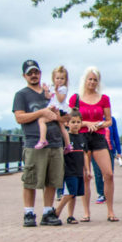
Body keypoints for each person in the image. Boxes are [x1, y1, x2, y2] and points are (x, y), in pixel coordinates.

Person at [13, 60, 65, 227]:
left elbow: (64, 116)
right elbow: (19, 117)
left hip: (55, 141)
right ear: (24, 76)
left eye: (36, 72)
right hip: (34, 142)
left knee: (52, 179)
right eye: (30, 73)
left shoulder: (49, 93)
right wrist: (41, 112)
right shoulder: (21, 95)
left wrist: (58, 115)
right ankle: (28, 213)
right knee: (31, 179)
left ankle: (48, 212)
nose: (33, 75)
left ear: (40, 73)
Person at [69, 67, 117, 222]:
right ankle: (86, 212)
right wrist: (86, 122)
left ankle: (110, 211)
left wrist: (99, 124)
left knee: (108, 174)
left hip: (98, 136)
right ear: (85, 80)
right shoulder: (76, 98)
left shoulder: (103, 98)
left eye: (95, 79)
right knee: (85, 176)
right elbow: (70, 120)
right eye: (90, 79)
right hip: (81, 137)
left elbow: (109, 120)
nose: (92, 82)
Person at [59, 110, 89, 224]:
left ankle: (70, 216)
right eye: (73, 122)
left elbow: (85, 154)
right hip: (68, 170)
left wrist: (87, 170)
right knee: (69, 192)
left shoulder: (82, 138)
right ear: (67, 123)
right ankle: (56, 212)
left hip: (78, 170)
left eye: (78, 122)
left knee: (74, 194)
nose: (76, 124)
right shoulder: (65, 137)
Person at [36, 65, 72, 151]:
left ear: (65, 80)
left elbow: (60, 99)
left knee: (41, 120)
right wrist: (46, 90)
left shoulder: (63, 88)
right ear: (53, 78)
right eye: (57, 78)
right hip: (53, 106)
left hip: (58, 108)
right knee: (61, 127)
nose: (59, 80)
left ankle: (42, 140)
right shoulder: (52, 87)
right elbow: (49, 97)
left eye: (62, 79)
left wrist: (56, 91)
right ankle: (68, 145)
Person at [93, 117, 122, 205]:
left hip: (109, 150)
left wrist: (119, 151)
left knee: (109, 174)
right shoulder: (94, 119)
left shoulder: (111, 119)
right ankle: (101, 194)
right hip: (96, 149)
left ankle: (108, 194)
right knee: (98, 173)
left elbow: (116, 136)